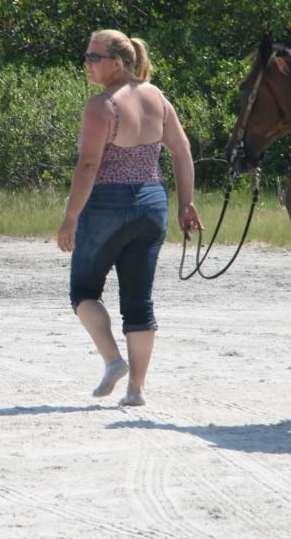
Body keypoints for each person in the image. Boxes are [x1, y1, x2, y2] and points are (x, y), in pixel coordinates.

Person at [57, 29, 202, 407]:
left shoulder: (101, 106)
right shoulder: (157, 97)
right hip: (152, 202)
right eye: (87, 56)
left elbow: (89, 165)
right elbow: (182, 151)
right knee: (139, 301)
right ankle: (136, 389)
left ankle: (112, 361)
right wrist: (186, 204)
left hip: (107, 202)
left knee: (84, 291)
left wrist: (70, 217)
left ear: (116, 63)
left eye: (93, 57)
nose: (86, 64)